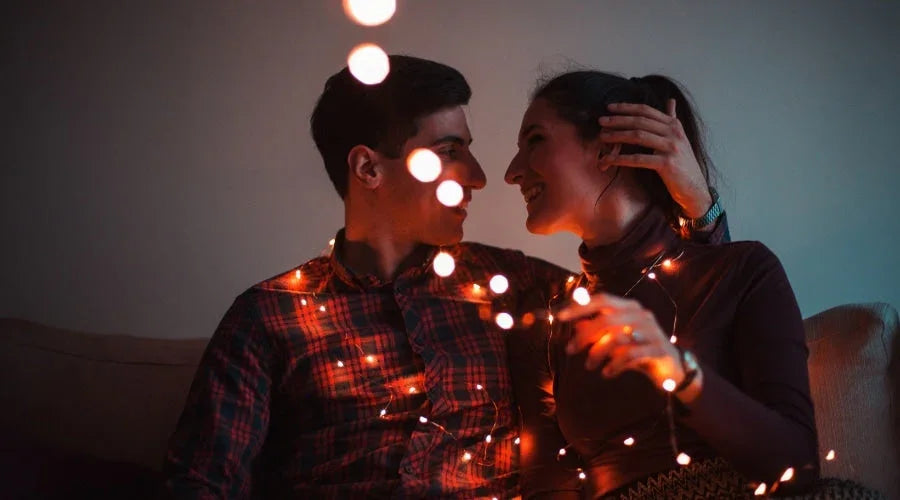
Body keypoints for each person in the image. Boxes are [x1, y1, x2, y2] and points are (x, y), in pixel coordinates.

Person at [163, 57, 725, 498]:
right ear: (368, 168)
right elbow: (202, 482)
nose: (478, 177)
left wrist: (699, 207)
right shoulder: (269, 317)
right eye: (450, 151)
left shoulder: (513, 285)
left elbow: (682, 311)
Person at [504, 71, 828, 499]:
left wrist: (679, 371)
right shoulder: (547, 324)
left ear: (609, 148)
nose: (512, 173)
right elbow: (548, 486)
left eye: (535, 140)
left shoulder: (743, 270)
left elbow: (797, 466)